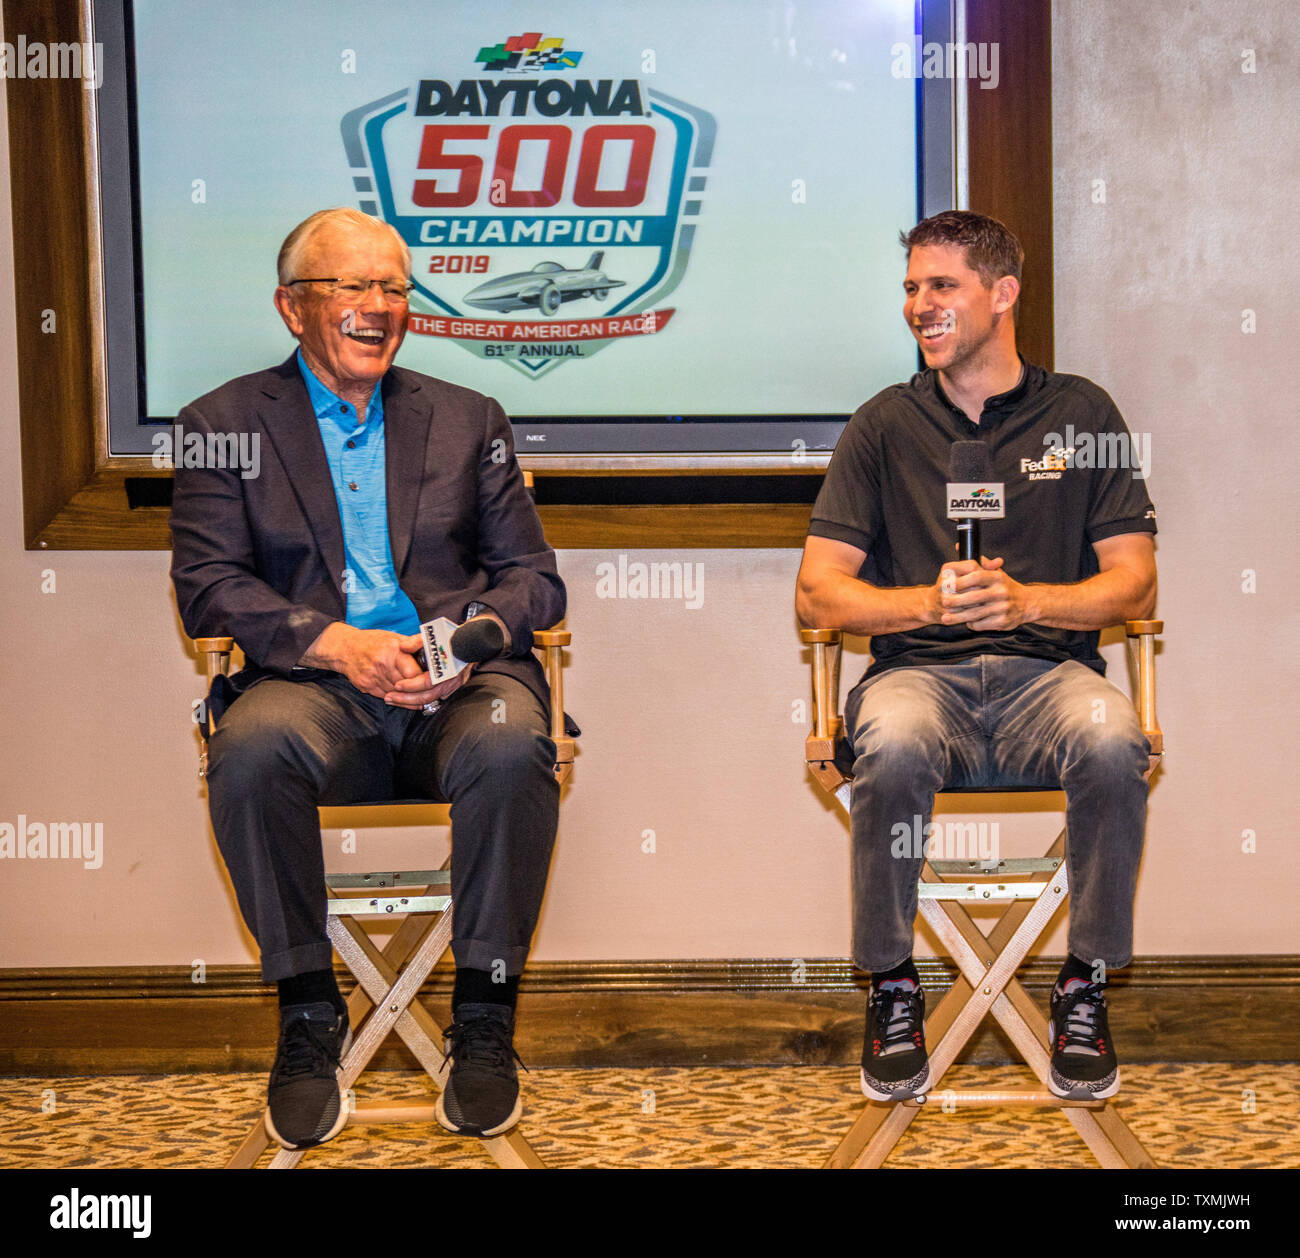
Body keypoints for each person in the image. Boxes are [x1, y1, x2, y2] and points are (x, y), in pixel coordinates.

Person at [170, 207, 566, 1149]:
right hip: (314, 693)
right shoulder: (218, 425)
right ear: (291, 306)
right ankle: (308, 1014)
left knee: (515, 745)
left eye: (395, 287)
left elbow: (534, 581)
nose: (380, 307)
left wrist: (460, 644)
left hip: (457, 696)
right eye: (354, 286)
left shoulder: (471, 420)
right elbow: (209, 587)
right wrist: (338, 643)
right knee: (251, 750)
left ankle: (483, 1021)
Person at [795, 210, 1157, 1103]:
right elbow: (817, 594)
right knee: (892, 744)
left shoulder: (1086, 413)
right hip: (918, 679)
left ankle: (1087, 983)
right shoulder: (882, 425)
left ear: (1003, 294)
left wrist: (1030, 601)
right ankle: (889, 985)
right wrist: (929, 601)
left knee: (1116, 741)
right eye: (912, 289)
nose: (921, 305)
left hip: (1052, 680)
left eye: (941, 286)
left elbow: (1136, 585)